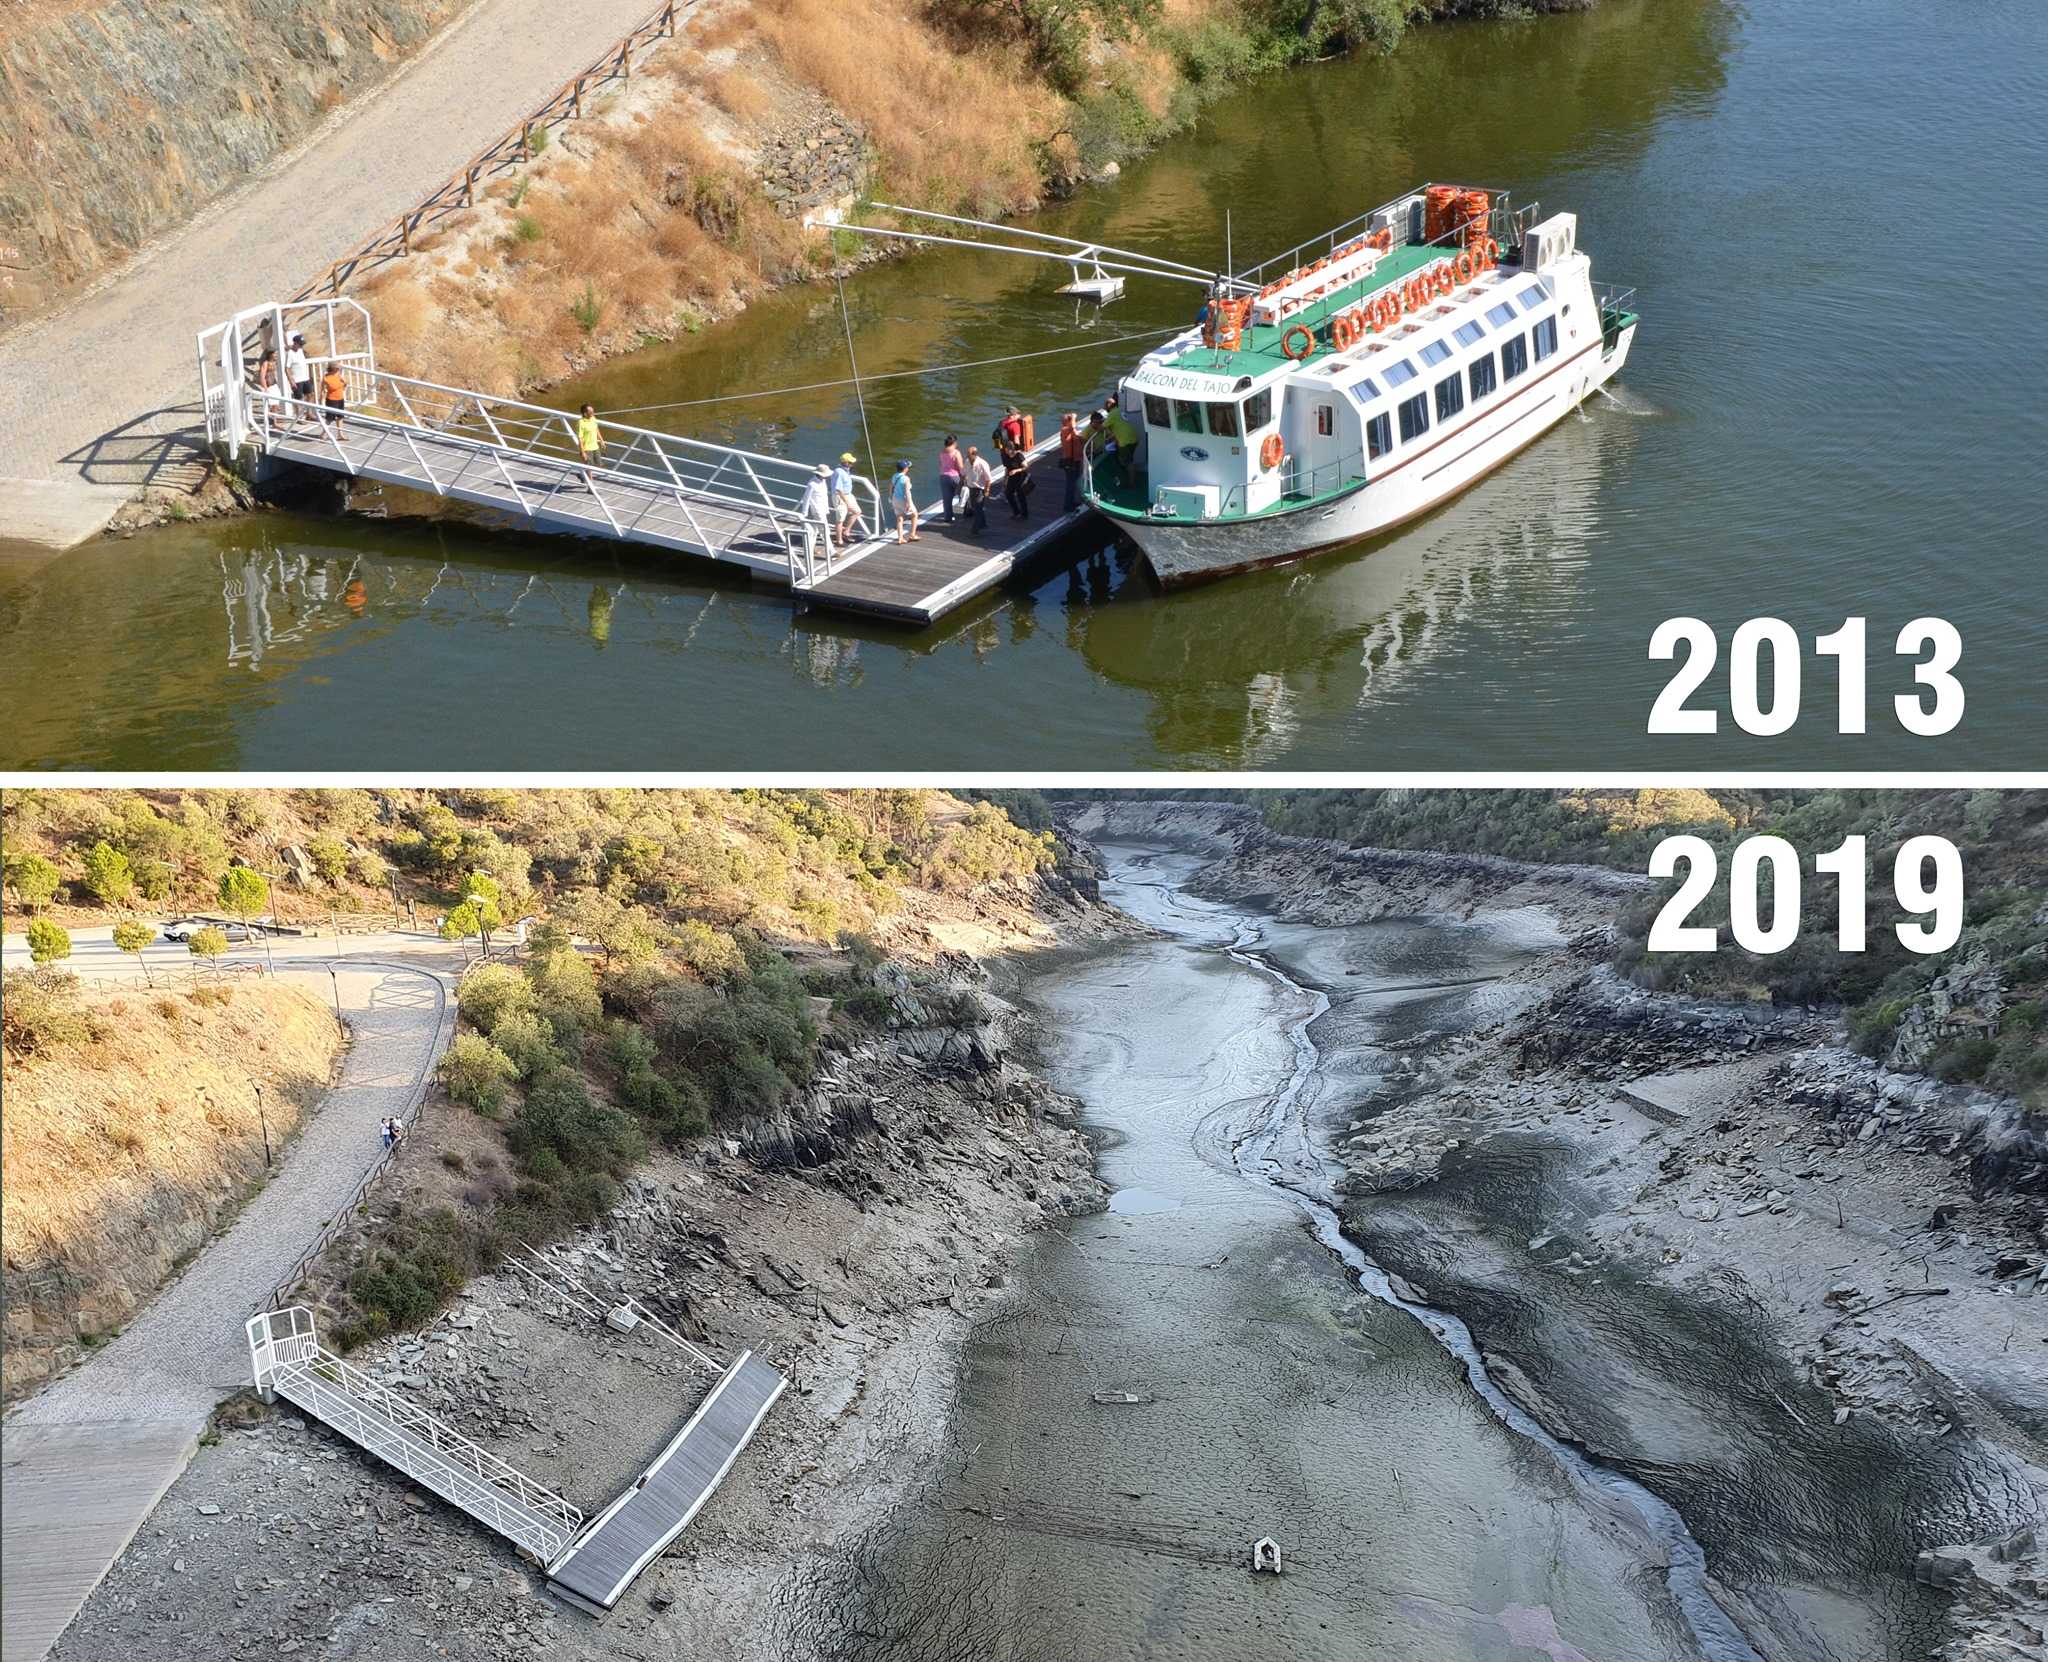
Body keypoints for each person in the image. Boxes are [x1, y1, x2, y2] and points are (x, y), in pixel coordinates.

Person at [798, 463, 833, 571]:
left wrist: (827, 508)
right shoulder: (812, 484)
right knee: (824, 530)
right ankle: (832, 552)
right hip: (817, 511)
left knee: (815, 531)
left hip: (823, 509)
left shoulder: (823, 481)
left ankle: (810, 550)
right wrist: (804, 513)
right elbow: (806, 498)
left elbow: (824, 496)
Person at [831, 452, 869, 545]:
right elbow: (838, 489)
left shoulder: (846, 470)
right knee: (840, 519)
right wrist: (847, 503)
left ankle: (846, 531)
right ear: (845, 462)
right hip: (840, 497)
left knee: (857, 511)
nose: (852, 464)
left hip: (848, 494)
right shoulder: (839, 472)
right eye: (850, 462)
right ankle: (839, 540)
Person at [1105, 396, 1139, 487]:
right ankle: (1130, 479)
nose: (1104, 407)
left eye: (1105, 405)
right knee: (1129, 460)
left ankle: (1131, 483)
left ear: (1109, 405)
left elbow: (1101, 427)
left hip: (1125, 441)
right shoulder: (1120, 410)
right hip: (1133, 438)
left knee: (1127, 462)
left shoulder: (1112, 414)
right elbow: (1119, 426)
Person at [1057, 411, 1086, 511]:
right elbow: (1072, 428)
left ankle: (1071, 502)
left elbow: (1077, 436)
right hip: (1069, 461)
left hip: (1075, 460)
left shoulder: (1070, 431)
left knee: (1074, 482)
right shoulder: (1065, 430)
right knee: (1071, 483)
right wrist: (1073, 417)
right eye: (1071, 420)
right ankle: (1068, 506)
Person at [889, 460, 921, 544]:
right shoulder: (906, 478)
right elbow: (907, 492)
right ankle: (912, 535)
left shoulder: (894, 476)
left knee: (899, 518)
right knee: (914, 515)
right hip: (903, 500)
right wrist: (909, 504)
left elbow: (891, 488)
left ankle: (900, 538)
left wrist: (891, 498)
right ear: (905, 469)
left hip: (895, 499)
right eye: (907, 467)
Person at [964, 444, 993, 534]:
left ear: (974, 454)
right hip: (971, 488)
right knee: (976, 508)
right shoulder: (967, 461)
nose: (967, 456)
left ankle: (974, 531)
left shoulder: (982, 464)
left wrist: (987, 490)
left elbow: (988, 479)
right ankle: (983, 524)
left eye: (968, 455)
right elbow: (966, 473)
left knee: (977, 510)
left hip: (980, 489)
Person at [575, 403, 604, 488]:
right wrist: (582, 451)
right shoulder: (580, 423)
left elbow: (596, 429)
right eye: (591, 412)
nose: (593, 413)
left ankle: (582, 475)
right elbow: (580, 438)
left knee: (599, 465)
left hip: (595, 446)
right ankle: (590, 487)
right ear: (585, 413)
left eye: (593, 411)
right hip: (587, 448)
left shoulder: (593, 419)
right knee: (589, 467)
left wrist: (601, 441)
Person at [285, 334, 312, 420]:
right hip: (297, 379)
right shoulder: (290, 353)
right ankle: (299, 416)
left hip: (305, 378)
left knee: (310, 394)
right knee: (298, 398)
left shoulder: (301, 351)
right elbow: (287, 368)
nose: (301, 346)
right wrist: (291, 381)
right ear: (295, 343)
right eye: (300, 344)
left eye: (302, 344)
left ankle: (309, 413)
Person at [938, 436, 964, 522]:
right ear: (954, 443)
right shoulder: (956, 452)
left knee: (947, 498)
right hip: (954, 476)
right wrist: (963, 477)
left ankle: (948, 517)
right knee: (964, 493)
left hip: (943, 476)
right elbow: (960, 466)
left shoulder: (941, 452)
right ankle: (968, 511)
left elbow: (941, 464)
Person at [1002, 440, 1030, 519]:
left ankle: (1024, 514)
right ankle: (1016, 512)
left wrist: (1016, 470)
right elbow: (1007, 469)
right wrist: (1005, 479)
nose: (1005, 451)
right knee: (1008, 494)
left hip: (1020, 477)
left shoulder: (1019, 456)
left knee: (1020, 495)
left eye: (1007, 450)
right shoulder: (1006, 457)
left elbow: (1026, 467)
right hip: (1011, 477)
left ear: (1011, 449)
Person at [320, 360, 348, 432]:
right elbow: (323, 390)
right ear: (333, 368)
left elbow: (344, 386)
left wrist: (344, 383)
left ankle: (340, 434)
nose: (339, 369)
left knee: (340, 417)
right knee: (329, 419)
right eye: (338, 368)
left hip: (340, 398)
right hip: (331, 400)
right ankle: (323, 434)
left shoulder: (338, 375)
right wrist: (321, 401)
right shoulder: (326, 378)